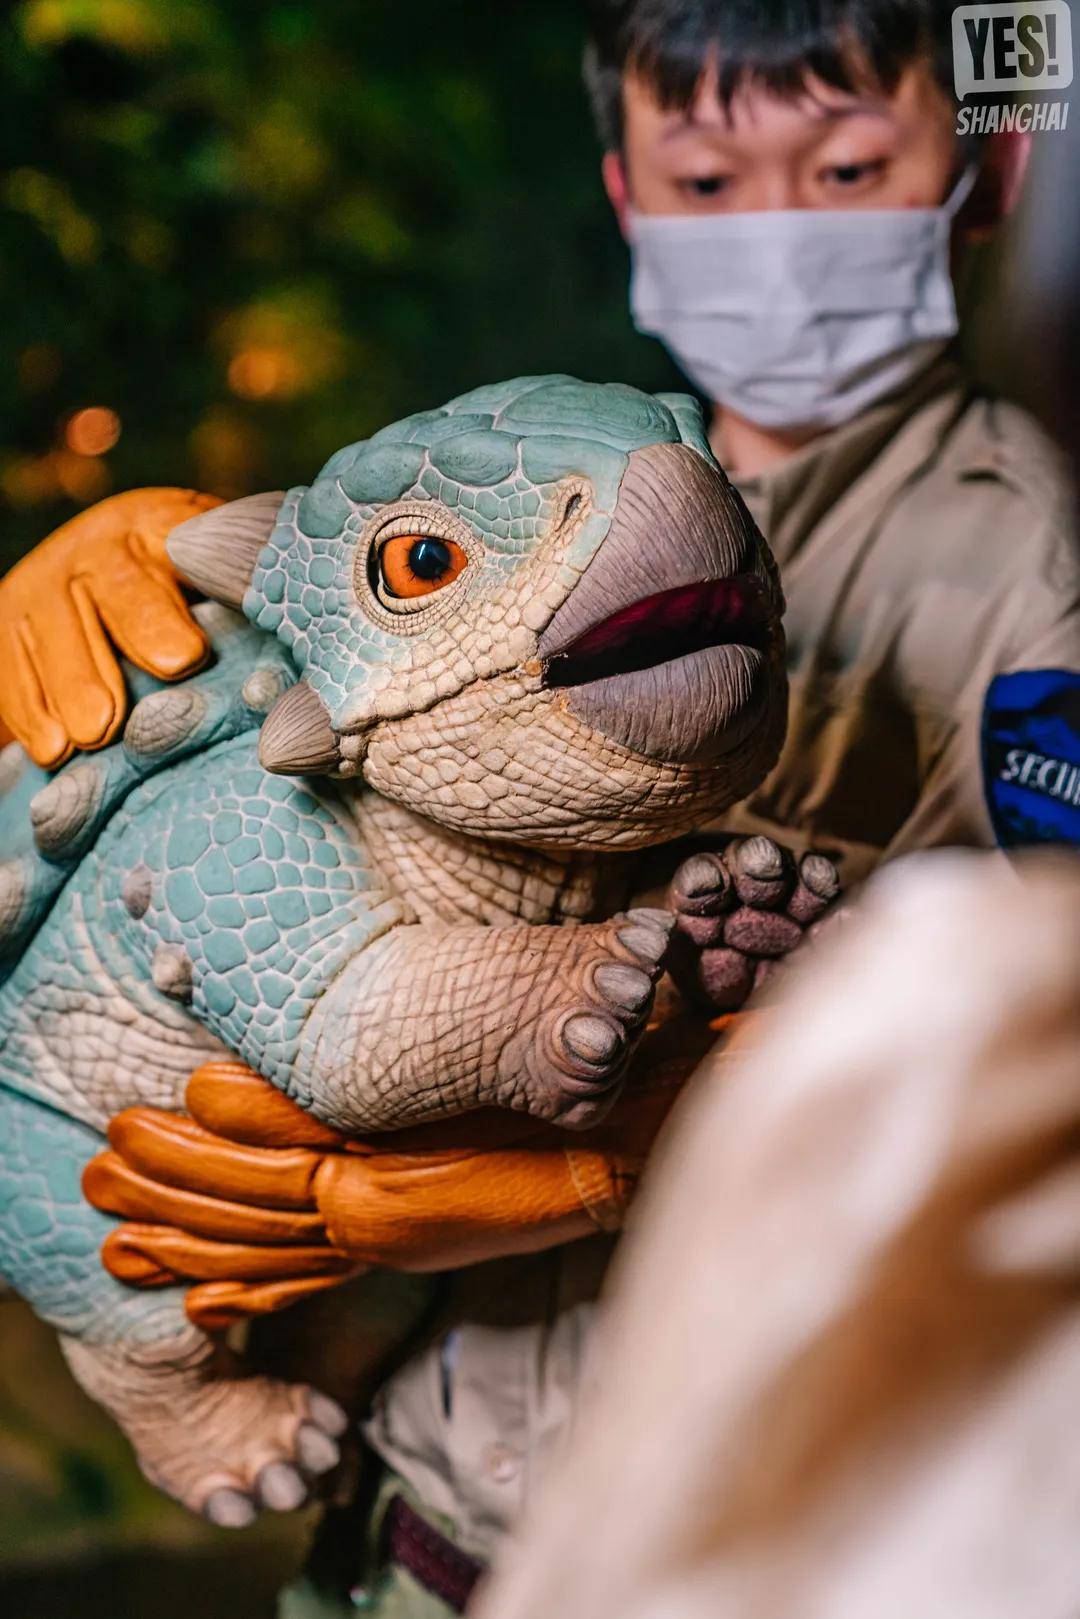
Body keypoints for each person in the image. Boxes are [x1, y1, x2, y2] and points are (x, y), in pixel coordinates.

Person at [2, 2, 1078, 1613]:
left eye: (849, 164)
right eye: (709, 183)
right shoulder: (559, 457)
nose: (777, 231)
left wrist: (631, 1140)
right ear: (627, 195)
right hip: (394, 1543)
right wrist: (151, 579)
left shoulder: (1034, 587)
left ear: (987, 169)